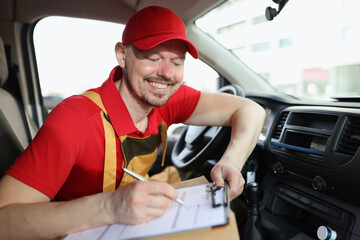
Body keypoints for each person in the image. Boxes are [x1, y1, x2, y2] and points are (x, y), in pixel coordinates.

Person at [0, 5, 265, 239]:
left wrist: (231, 161)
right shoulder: (75, 119)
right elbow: (3, 221)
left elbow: (250, 110)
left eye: (176, 61)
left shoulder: (166, 98)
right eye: (153, 58)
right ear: (122, 55)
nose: (167, 73)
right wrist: (110, 207)